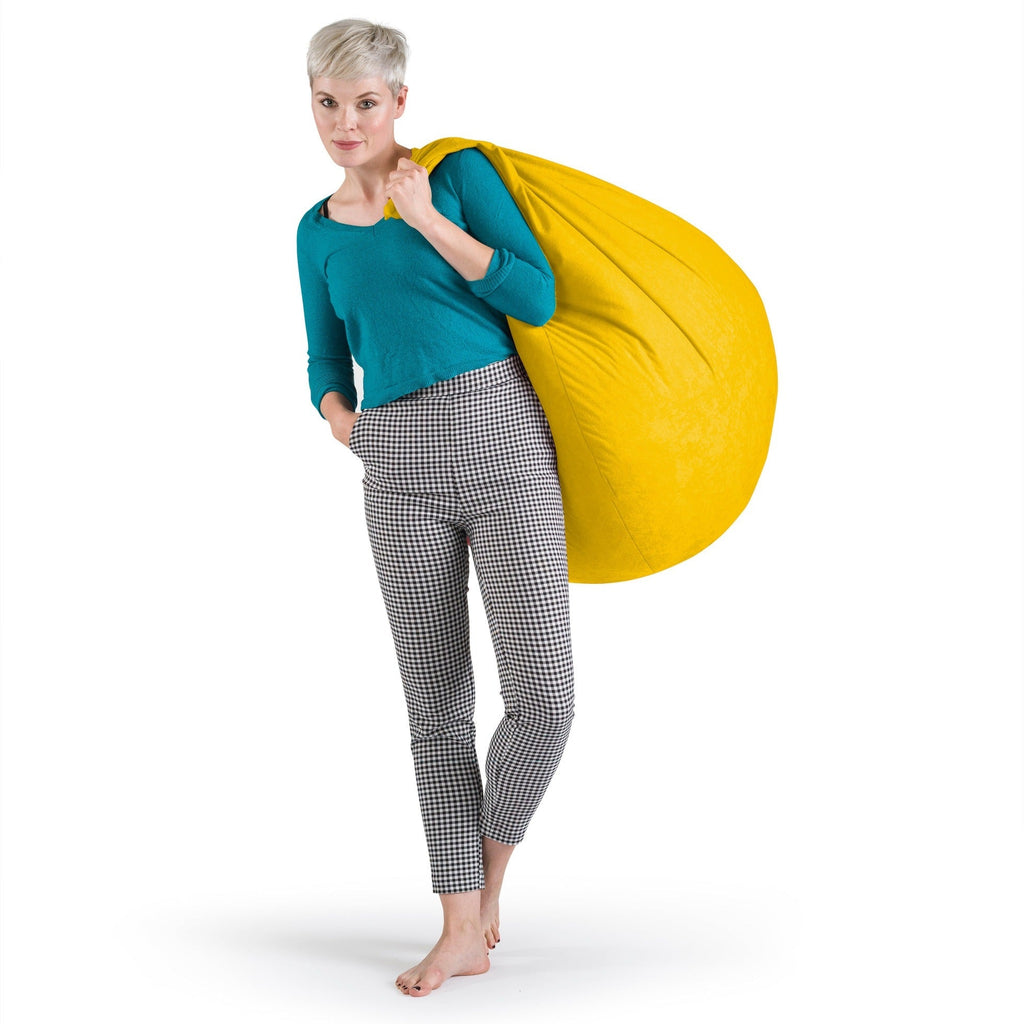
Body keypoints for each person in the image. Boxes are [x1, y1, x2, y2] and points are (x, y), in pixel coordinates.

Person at [296, 19, 575, 998]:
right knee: (436, 708)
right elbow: (325, 355)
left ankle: (489, 882)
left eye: (365, 102)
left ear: (400, 103)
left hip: (504, 437)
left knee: (544, 696)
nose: (345, 122)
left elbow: (533, 297)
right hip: (396, 461)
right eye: (327, 102)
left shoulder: (455, 177)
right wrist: (343, 423)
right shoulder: (315, 229)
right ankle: (460, 924)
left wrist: (426, 221)